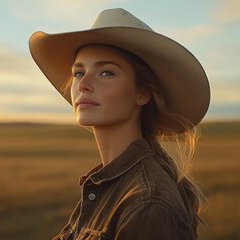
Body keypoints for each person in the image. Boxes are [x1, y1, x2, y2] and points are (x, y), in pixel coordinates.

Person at [29, 8, 210, 240]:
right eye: (78, 72)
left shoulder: (147, 203)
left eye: (106, 73)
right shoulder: (107, 182)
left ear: (142, 94)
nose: (83, 84)